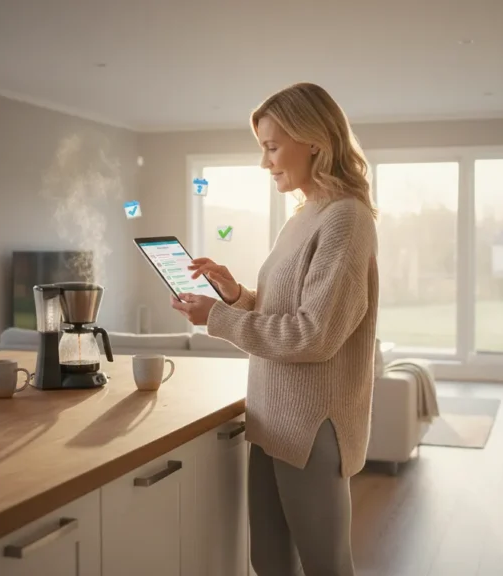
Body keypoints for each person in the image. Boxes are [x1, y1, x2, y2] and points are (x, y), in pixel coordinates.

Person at [170, 82, 379, 576]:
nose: (265, 163)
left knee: (326, 565)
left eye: (271, 147)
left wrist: (216, 319)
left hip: (311, 423)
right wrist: (235, 294)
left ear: (313, 141)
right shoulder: (303, 216)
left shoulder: (346, 219)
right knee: (268, 562)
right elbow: (286, 308)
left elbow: (314, 335)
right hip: (270, 415)